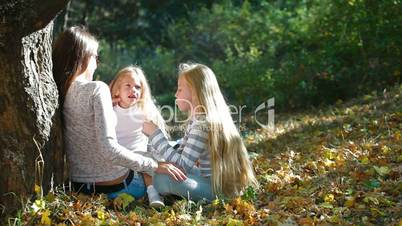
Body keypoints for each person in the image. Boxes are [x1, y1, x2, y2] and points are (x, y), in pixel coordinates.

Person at [52, 25, 186, 201]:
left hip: (80, 188)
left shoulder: (59, 90)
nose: (96, 64)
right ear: (84, 56)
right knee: (177, 174)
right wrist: (154, 165)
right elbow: (109, 150)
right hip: (118, 186)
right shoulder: (97, 88)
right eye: (96, 57)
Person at [142, 63, 259, 201]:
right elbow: (179, 157)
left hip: (219, 190)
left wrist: (155, 134)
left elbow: (182, 165)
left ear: (195, 92)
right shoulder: (198, 120)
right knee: (163, 170)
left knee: (161, 179)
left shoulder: (202, 124)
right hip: (211, 181)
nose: (175, 94)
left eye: (179, 89)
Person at [109, 66, 166, 207]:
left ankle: (153, 194)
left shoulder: (144, 111)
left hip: (140, 156)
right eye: (128, 86)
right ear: (117, 90)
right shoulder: (110, 111)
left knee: (148, 160)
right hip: (120, 158)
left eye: (137, 87)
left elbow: (157, 137)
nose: (133, 90)